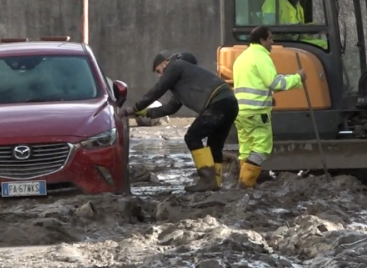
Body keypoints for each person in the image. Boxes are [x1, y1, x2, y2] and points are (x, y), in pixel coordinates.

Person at [120, 51, 238, 192]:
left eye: (159, 71)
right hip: (230, 103)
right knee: (215, 145)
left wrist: (134, 108)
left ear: (165, 62)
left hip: (218, 104)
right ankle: (216, 182)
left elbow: (159, 89)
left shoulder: (176, 65)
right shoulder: (183, 84)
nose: (160, 75)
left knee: (192, 136)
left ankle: (207, 179)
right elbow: (170, 108)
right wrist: (147, 113)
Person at [232, 26, 305, 189]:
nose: (272, 42)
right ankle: (246, 183)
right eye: (270, 38)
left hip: (240, 112)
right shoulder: (261, 57)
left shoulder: (242, 58)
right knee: (262, 147)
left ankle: (246, 182)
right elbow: (275, 83)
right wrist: (298, 78)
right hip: (257, 112)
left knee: (246, 148)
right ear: (262, 40)